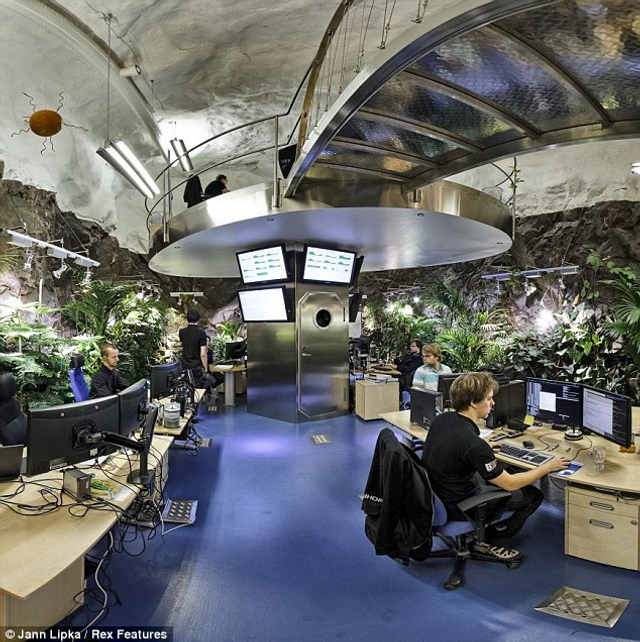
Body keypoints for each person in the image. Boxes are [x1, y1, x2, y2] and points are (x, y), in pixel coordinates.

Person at [422, 371, 570, 561]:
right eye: (489, 399)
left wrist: (482, 448)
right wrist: (546, 467)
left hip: (438, 494)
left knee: (512, 470)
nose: (493, 403)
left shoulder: (443, 419)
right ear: (474, 402)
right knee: (533, 495)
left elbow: (456, 447)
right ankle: (494, 541)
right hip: (459, 506)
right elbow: (509, 484)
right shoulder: (474, 445)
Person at [178, 310, 224, 393]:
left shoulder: (182, 332)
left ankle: (194, 396)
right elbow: (203, 354)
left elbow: (185, 346)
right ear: (198, 320)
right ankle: (199, 396)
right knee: (211, 380)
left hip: (185, 366)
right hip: (197, 367)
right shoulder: (201, 333)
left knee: (190, 386)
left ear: (187, 320)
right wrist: (205, 368)